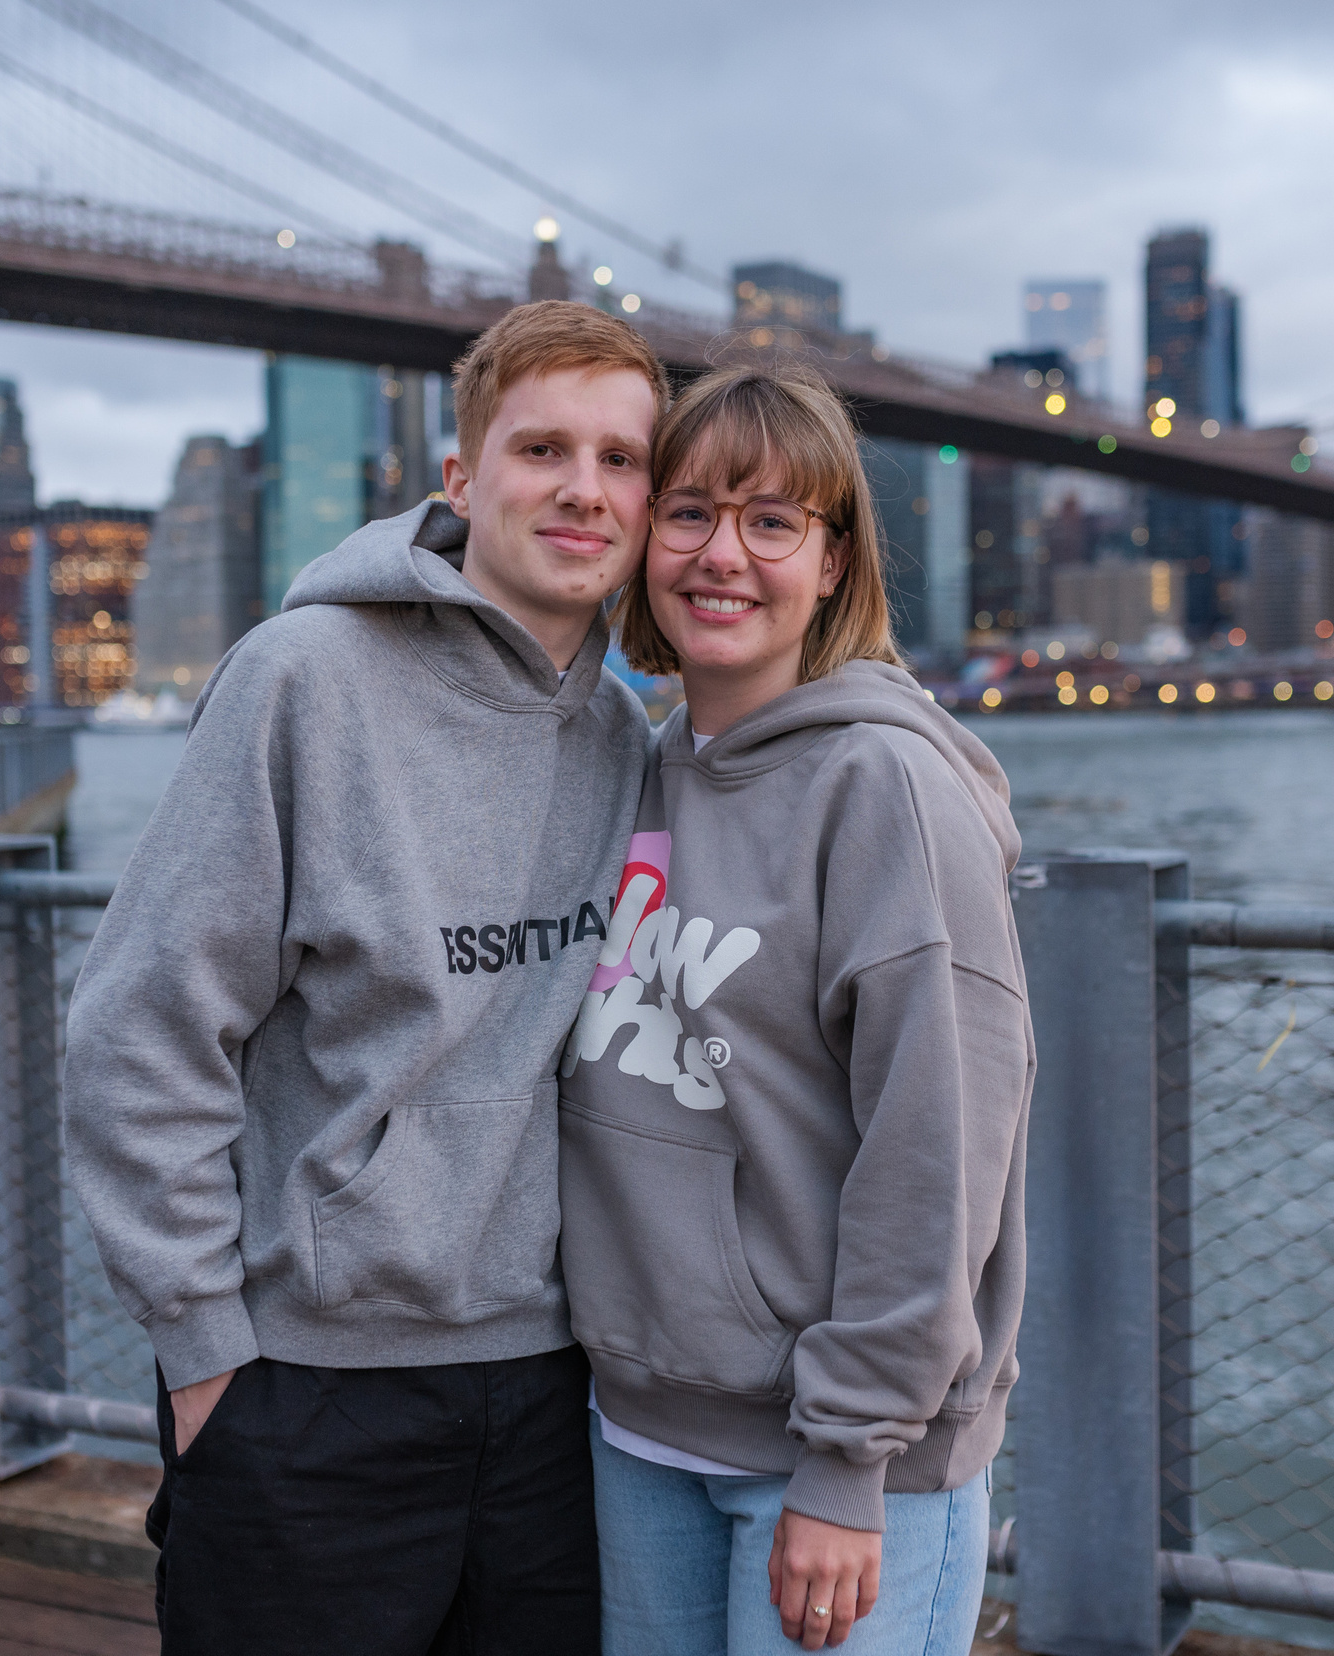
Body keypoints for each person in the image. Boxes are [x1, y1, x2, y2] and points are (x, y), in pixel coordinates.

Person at [63, 299, 667, 1656]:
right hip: (308, 1389)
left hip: (560, 1395)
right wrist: (204, 1350)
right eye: (543, 449)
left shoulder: (625, 738)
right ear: (462, 478)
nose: (585, 489)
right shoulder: (301, 683)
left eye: (621, 459)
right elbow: (140, 1032)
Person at [557, 365, 1032, 1655]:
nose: (723, 555)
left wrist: (847, 1459)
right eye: (691, 512)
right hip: (638, 1435)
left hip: (835, 1473)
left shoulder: (886, 788)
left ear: (834, 564)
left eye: (773, 522)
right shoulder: (639, 771)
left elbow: (935, 1154)